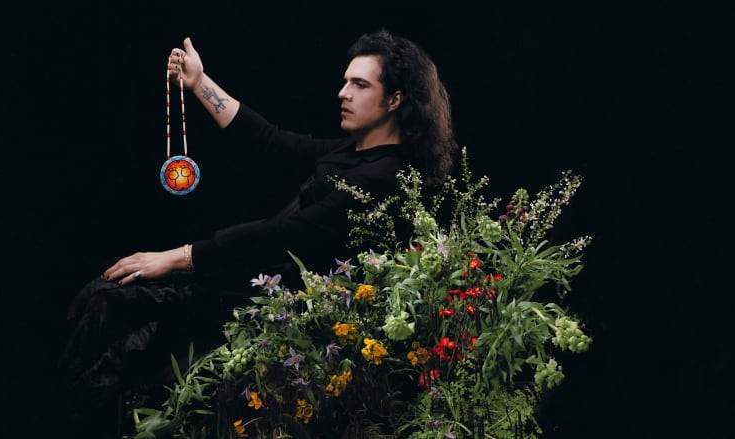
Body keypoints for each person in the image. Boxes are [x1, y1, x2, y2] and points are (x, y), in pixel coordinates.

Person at [58, 28, 458, 436]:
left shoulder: (386, 175)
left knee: (121, 311)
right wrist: (198, 83)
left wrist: (178, 256)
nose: (343, 93)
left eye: (359, 84)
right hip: (254, 282)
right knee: (107, 291)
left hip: (283, 317)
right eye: (345, 81)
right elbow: (269, 140)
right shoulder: (349, 152)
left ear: (395, 100)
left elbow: (284, 233)